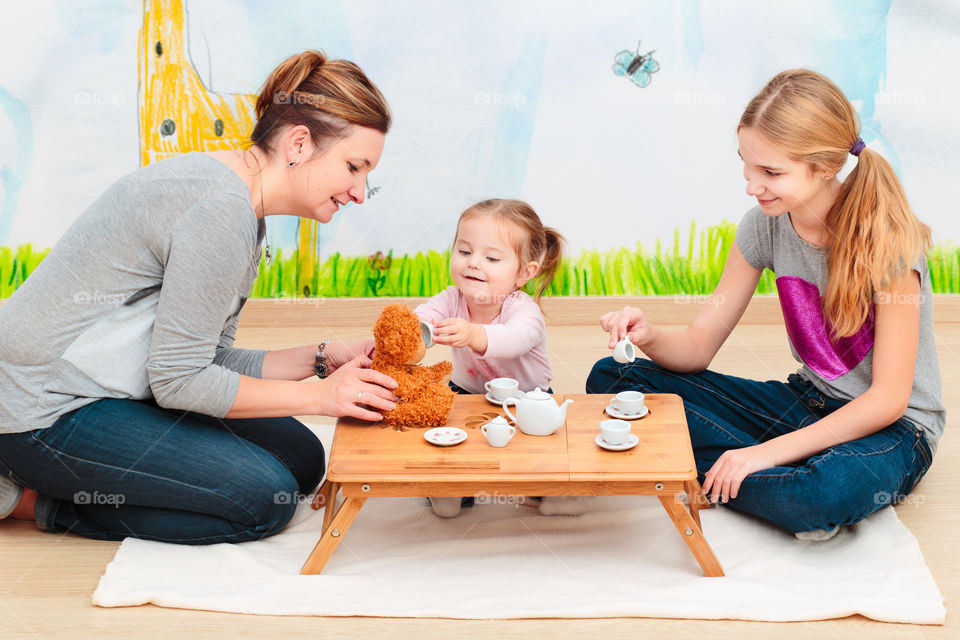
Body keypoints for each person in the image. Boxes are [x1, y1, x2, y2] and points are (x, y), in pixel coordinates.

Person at [0, 50, 400, 543]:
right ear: (298, 143)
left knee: (302, 460)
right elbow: (179, 382)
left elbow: (201, 361)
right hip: (38, 411)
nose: (360, 192)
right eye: (354, 167)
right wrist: (321, 397)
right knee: (262, 500)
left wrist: (319, 359)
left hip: (115, 387)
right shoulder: (219, 212)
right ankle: (29, 499)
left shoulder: (240, 202)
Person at [586, 69, 942, 540]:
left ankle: (744, 474)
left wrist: (763, 452)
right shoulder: (762, 226)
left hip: (892, 430)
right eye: (747, 165)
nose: (753, 186)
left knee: (821, 493)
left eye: (772, 173)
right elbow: (697, 347)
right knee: (614, 379)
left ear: (825, 166)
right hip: (807, 403)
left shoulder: (889, 243)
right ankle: (771, 478)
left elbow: (888, 400)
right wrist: (649, 336)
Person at [414, 198, 566, 517]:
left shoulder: (523, 310)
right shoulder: (451, 299)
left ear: (524, 273)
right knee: (453, 442)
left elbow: (516, 339)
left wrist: (474, 335)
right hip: (466, 393)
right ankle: (454, 491)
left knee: (537, 453)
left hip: (528, 399)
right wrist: (415, 332)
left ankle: (551, 492)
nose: (473, 263)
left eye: (492, 258)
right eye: (464, 251)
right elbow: (423, 316)